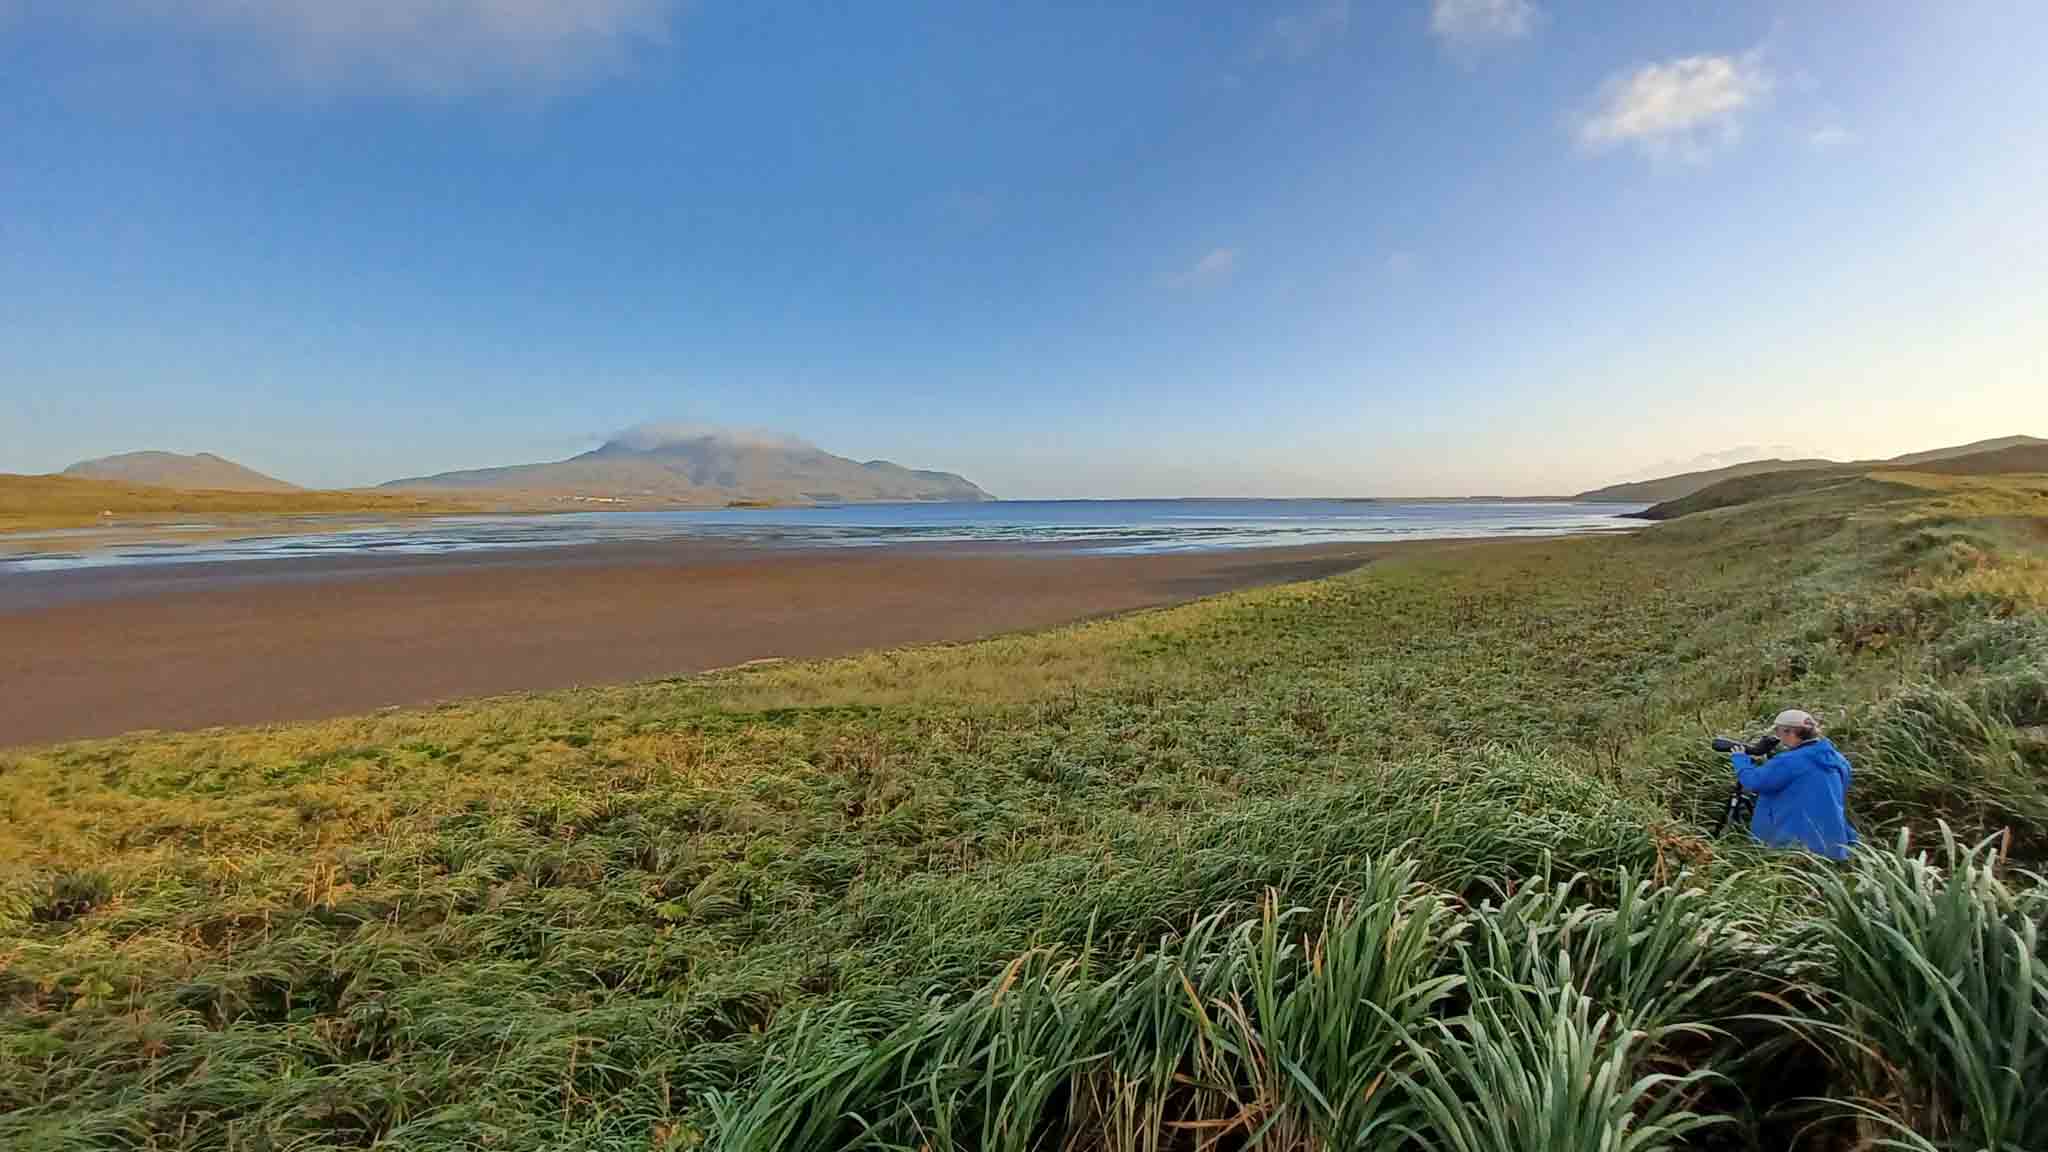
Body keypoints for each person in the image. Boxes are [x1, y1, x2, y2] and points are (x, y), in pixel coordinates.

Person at [1730, 709, 1857, 860]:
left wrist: (1740, 760)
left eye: (1778, 731)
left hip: (1794, 843)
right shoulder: (1838, 758)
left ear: (1789, 731)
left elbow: (1754, 782)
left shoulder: (1789, 761)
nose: (1778, 737)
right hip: (1831, 838)